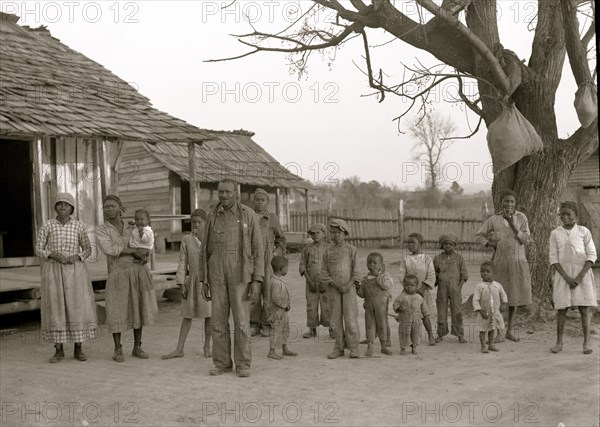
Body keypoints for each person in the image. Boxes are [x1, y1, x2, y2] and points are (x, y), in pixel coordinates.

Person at [203, 179, 264, 378]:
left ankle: (243, 364)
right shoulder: (212, 215)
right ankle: (221, 364)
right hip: (216, 274)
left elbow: (257, 249)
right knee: (218, 321)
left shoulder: (248, 215)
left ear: (236, 193)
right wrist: (205, 279)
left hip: (241, 275)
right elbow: (204, 249)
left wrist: (257, 279)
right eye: (221, 192)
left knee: (242, 321)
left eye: (228, 192)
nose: (224, 196)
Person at [35, 192, 97, 363]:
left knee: (77, 306)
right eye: (59, 204)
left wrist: (76, 256)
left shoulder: (78, 226)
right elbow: (38, 248)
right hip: (53, 271)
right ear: (55, 207)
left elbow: (87, 248)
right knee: (56, 307)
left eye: (66, 204)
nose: (63, 207)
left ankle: (79, 348)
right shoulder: (47, 225)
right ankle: (58, 350)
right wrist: (52, 254)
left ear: (72, 209)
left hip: (75, 271)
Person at [96, 195, 158, 362]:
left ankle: (137, 346)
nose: (109, 209)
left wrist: (145, 254)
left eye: (112, 206)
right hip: (117, 272)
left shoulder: (133, 226)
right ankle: (117, 349)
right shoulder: (102, 229)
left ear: (120, 207)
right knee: (116, 309)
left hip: (137, 270)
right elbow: (109, 248)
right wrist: (131, 251)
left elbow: (147, 242)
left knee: (138, 307)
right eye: (106, 206)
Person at [476, 189, 532, 342]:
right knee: (496, 297)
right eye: (506, 201)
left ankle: (510, 330)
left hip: (517, 262)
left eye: (512, 201)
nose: (509, 204)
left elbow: (526, 239)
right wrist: (490, 243)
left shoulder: (521, 218)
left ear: (515, 203)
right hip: (500, 263)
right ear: (501, 202)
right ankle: (496, 331)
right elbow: (479, 235)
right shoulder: (494, 219)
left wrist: (514, 225)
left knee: (513, 298)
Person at [162, 209, 212, 360]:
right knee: (187, 315)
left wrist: (204, 240)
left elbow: (213, 256)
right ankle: (179, 348)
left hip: (208, 282)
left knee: (209, 315)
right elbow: (183, 262)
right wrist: (181, 283)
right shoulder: (187, 239)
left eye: (199, 222)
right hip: (193, 281)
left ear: (206, 223)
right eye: (193, 222)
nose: (196, 225)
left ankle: (207, 346)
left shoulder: (211, 238)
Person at [549, 202, 597, 355]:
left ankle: (586, 342)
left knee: (584, 309)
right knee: (562, 309)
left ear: (576, 216)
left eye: (569, 214)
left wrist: (580, 276)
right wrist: (566, 277)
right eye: (562, 214)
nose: (565, 217)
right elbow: (553, 257)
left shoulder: (584, 232)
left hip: (582, 275)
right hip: (563, 275)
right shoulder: (555, 233)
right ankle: (559, 342)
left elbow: (591, 254)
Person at [320, 218, 361, 359]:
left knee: (350, 319)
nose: (335, 235)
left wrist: (348, 285)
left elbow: (356, 271)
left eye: (338, 233)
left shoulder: (352, 250)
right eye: (332, 232)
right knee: (335, 320)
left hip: (349, 290)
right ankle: (338, 347)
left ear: (345, 234)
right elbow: (323, 271)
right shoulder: (327, 251)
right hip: (333, 290)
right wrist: (335, 284)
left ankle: (354, 347)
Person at [250, 188, 286, 338]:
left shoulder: (272, 218)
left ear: (267, 202)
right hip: (252, 262)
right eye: (257, 199)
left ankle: (267, 324)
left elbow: (281, 240)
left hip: (267, 263)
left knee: (268, 293)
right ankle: (253, 324)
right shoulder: (248, 217)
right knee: (254, 293)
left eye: (262, 200)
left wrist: (275, 253)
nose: (259, 202)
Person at [398, 233, 436, 346]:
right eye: (408, 243)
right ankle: (410, 339)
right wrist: (409, 287)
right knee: (409, 315)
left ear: (420, 244)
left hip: (423, 292)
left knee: (425, 315)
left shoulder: (427, 259)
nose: (410, 245)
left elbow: (431, 276)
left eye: (413, 242)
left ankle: (430, 335)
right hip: (408, 292)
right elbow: (401, 275)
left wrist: (421, 289)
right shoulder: (406, 259)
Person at [299, 222, 332, 339]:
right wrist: (309, 281)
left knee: (327, 306)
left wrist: (326, 282)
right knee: (311, 306)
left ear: (324, 233)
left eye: (318, 233)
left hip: (326, 284)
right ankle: (312, 330)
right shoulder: (307, 249)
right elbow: (302, 265)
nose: (315, 235)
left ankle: (331, 329)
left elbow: (332, 268)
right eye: (312, 233)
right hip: (311, 284)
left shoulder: (330, 249)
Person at [433, 233, 468, 343]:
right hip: (442, 289)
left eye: (450, 244)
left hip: (455, 289)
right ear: (442, 245)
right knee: (441, 312)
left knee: (457, 311)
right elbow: (433, 273)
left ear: (454, 245)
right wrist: (437, 278)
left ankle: (460, 334)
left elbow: (464, 275)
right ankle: (440, 334)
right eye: (445, 244)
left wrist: (459, 287)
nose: (448, 246)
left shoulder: (459, 258)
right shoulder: (437, 258)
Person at [357, 252, 394, 356]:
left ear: (381, 265)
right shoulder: (365, 279)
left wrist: (378, 275)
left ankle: (383, 346)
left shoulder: (384, 276)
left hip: (381, 307)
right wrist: (357, 288)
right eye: (369, 263)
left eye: (374, 263)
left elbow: (387, 285)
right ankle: (370, 346)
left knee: (382, 324)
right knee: (369, 325)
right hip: (369, 306)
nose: (371, 265)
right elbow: (362, 294)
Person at [472, 261, 508, 353]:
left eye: (488, 271)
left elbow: (503, 294)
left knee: (492, 328)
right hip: (484, 313)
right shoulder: (479, 286)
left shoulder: (497, 285)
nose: (485, 273)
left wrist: (504, 303)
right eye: (482, 271)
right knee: (483, 330)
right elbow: (475, 300)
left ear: (494, 273)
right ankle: (483, 345)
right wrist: (480, 310)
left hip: (495, 312)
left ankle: (491, 344)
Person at [266, 256, 297, 360]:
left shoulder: (277, 280)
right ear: (281, 268)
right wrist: (285, 305)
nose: (287, 269)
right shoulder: (276, 282)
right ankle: (272, 351)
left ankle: (284, 348)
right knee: (276, 330)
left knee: (284, 329)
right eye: (286, 268)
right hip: (276, 312)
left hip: (282, 312)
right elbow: (276, 298)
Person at [393, 274, 429, 355]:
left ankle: (414, 347)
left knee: (415, 333)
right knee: (404, 333)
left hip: (416, 320)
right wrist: (398, 309)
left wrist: (426, 316)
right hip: (405, 320)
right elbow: (395, 304)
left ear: (417, 287)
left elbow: (424, 307)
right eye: (406, 285)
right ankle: (403, 348)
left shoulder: (419, 297)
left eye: (412, 285)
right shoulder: (402, 296)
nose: (409, 287)